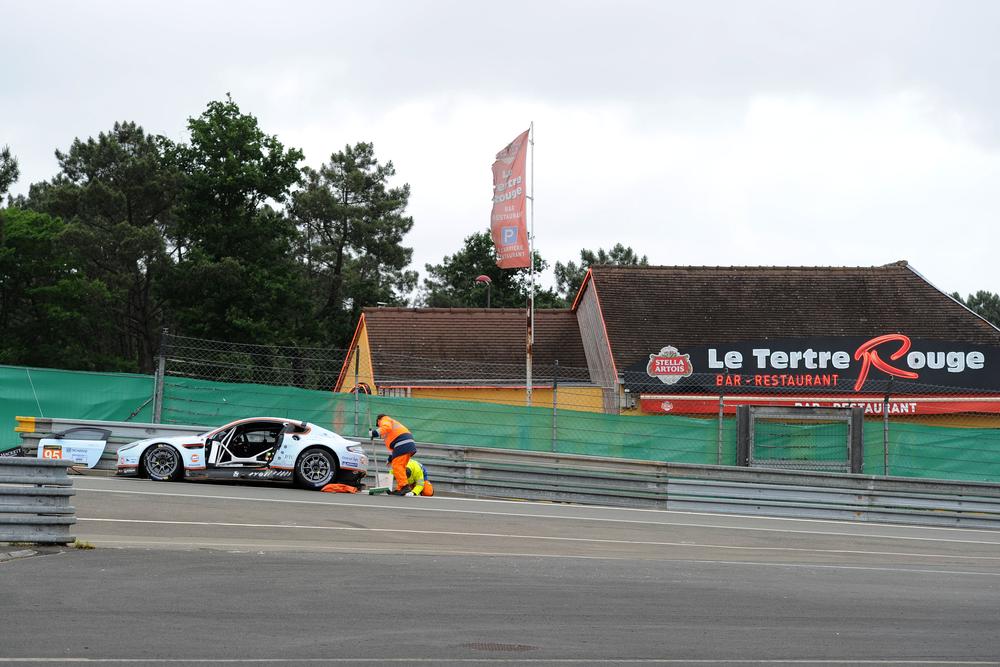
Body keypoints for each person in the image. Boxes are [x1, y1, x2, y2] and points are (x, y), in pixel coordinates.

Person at [371, 414, 418, 496]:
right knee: (401, 467)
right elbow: (395, 449)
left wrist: (374, 433)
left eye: (378, 425)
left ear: (378, 420)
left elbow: (386, 427)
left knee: (397, 466)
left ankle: (404, 486)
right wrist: (390, 458)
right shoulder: (392, 428)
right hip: (406, 444)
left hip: (403, 444)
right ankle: (400, 489)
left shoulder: (384, 419)